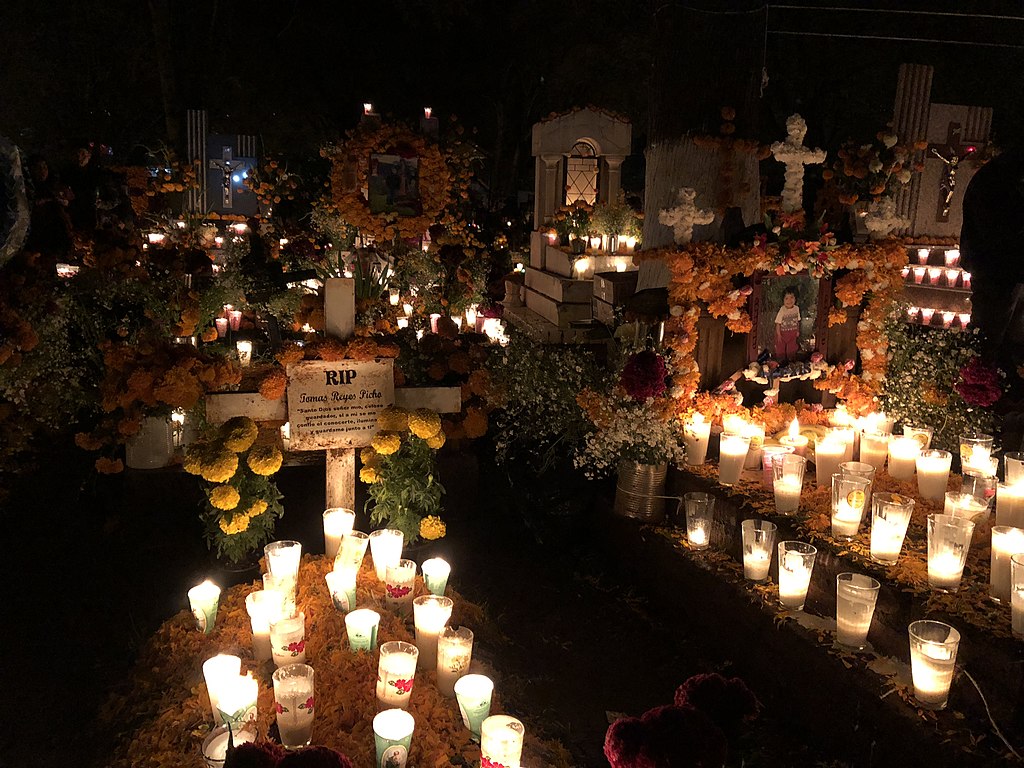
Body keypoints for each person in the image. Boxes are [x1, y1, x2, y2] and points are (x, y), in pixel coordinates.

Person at [774, 286, 801, 361]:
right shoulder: (782, 310)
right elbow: (778, 323)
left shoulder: (796, 309)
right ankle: (781, 362)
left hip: (792, 333)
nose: (789, 300)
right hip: (782, 334)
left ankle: (791, 361)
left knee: (792, 348)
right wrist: (778, 334)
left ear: (795, 298)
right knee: (780, 349)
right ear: (783, 300)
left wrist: (797, 330)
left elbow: (797, 321)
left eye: (792, 297)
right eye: (786, 298)